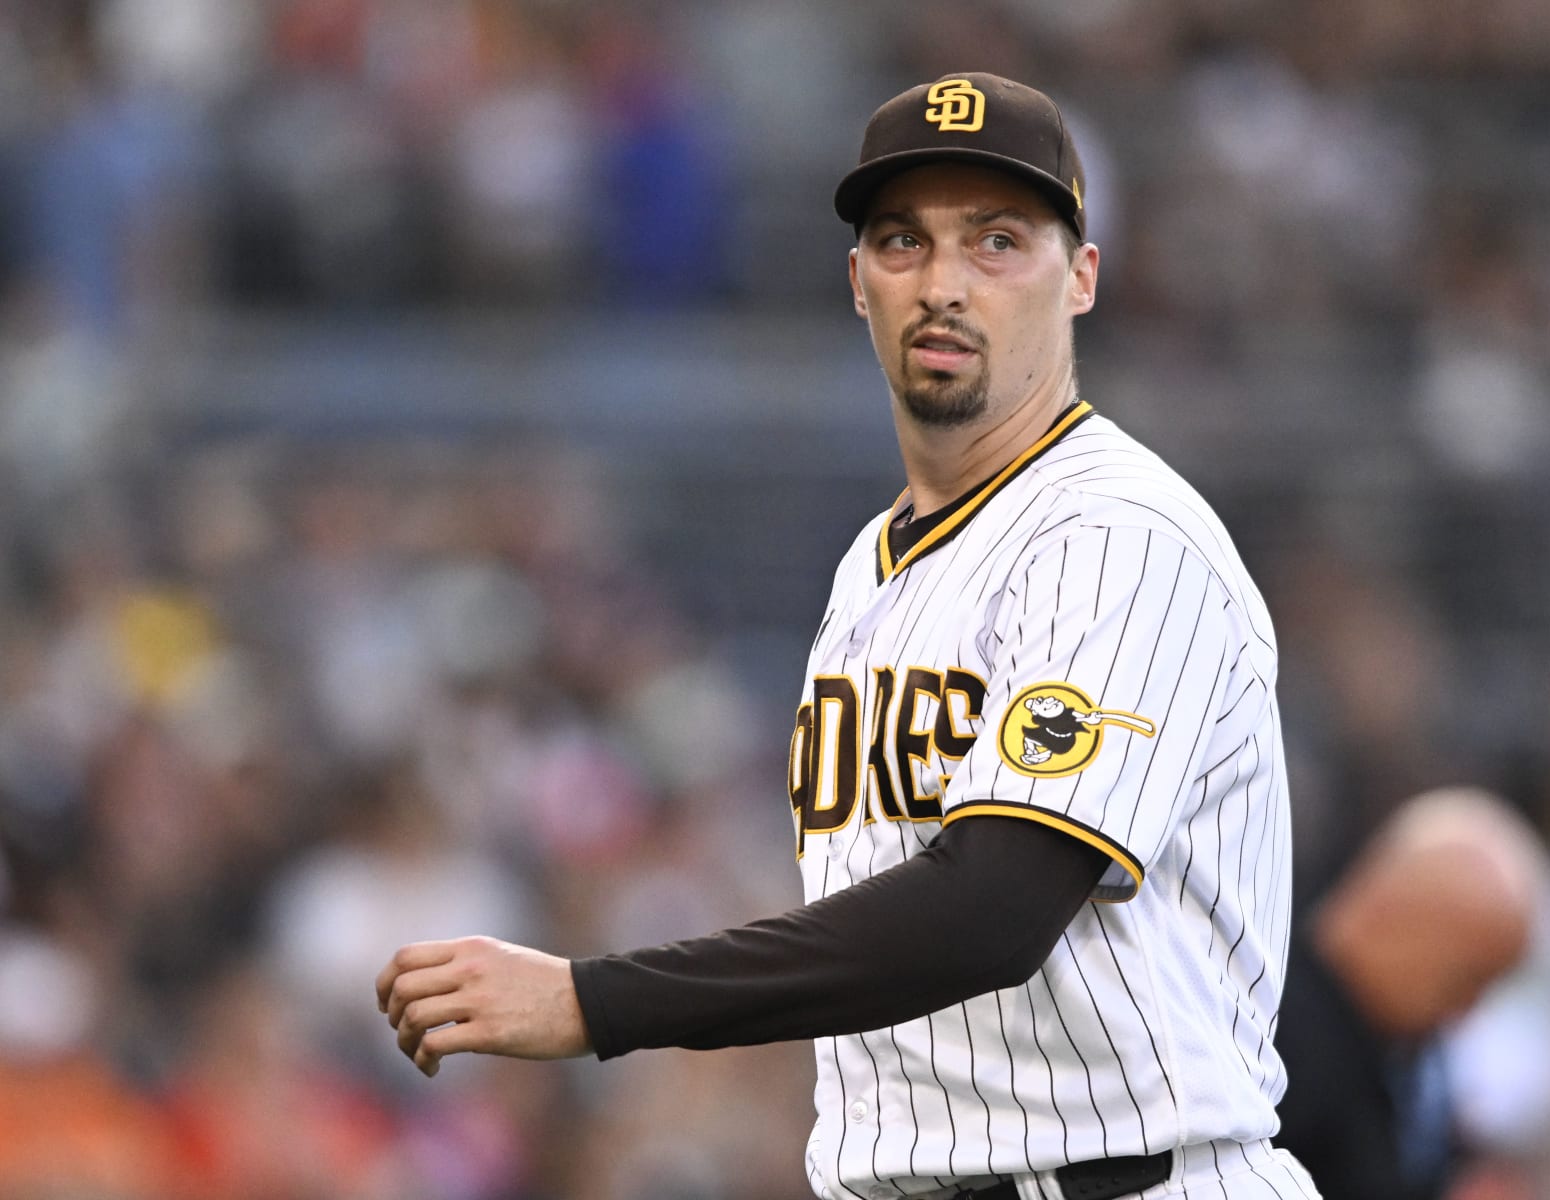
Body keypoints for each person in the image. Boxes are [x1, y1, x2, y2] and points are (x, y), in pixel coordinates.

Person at [377, 72, 1318, 1200]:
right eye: (901, 242)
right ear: (858, 284)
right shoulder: (870, 568)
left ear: (1082, 279)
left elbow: (991, 911)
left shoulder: (1115, 532)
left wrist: (597, 1000)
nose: (944, 284)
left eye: (998, 242)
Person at [1274, 787, 1549, 1200]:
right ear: (1395, 917)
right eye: (1467, 978)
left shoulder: (1404, 1047)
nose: (1468, 1010)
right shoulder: (1269, 1038)